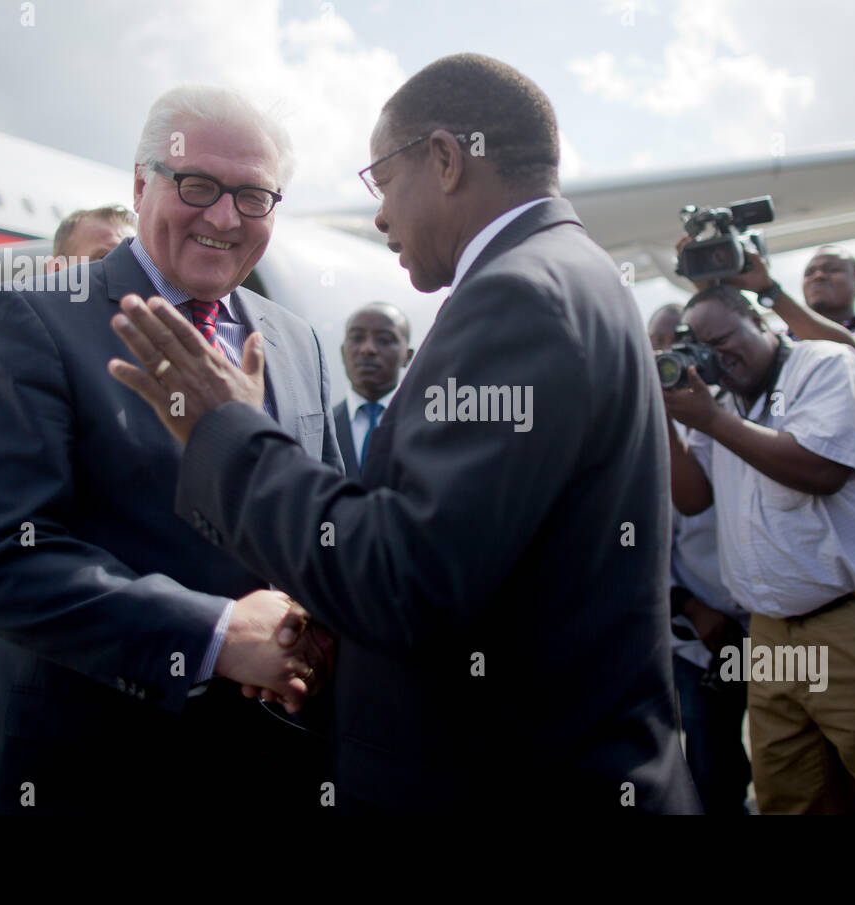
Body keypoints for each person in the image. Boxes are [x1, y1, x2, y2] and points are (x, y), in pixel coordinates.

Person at [109, 54, 698, 813]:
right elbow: (471, 558)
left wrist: (229, 433)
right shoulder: (571, 273)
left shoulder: (517, 297)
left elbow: (408, 579)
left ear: (446, 160)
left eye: (383, 183)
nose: (380, 217)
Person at [0, 86, 340, 814]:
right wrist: (215, 635)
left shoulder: (296, 340)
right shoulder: (33, 319)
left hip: (267, 769)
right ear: (140, 184)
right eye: (198, 185)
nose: (225, 217)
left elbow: (325, 520)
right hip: (86, 775)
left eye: (253, 196)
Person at [663, 283, 855, 814]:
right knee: (793, 797)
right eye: (701, 348)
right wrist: (664, 414)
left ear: (760, 321)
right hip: (772, 631)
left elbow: (820, 471)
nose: (715, 356)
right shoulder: (722, 402)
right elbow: (692, 500)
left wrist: (710, 420)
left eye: (723, 339)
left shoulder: (825, 364)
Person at [0, 203, 137, 742]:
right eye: (102, 256)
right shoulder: (18, 354)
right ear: (57, 270)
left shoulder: (157, 368)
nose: (119, 272)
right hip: (14, 670)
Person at [650, 304, 752, 814]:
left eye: (677, 343)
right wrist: (691, 608)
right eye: (655, 347)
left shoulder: (740, 413)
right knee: (711, 760)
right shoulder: (640, 434)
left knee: (800, 756)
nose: (666, 356)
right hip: (700, 638)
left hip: (772, 624)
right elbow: (642, 551)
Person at [695, 243, 855, 433]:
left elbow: (852, 359)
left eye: (833, 270)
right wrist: (709, 287)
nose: (819, 276)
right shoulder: (780, 339)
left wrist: (769, 291)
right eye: (810, 272)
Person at [333, 302, 413, 477]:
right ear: (342, 352)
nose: (367, 349)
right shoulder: (321, 427)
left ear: (407, 356)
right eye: (357, 338)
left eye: (384, 339)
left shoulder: (426, 423)